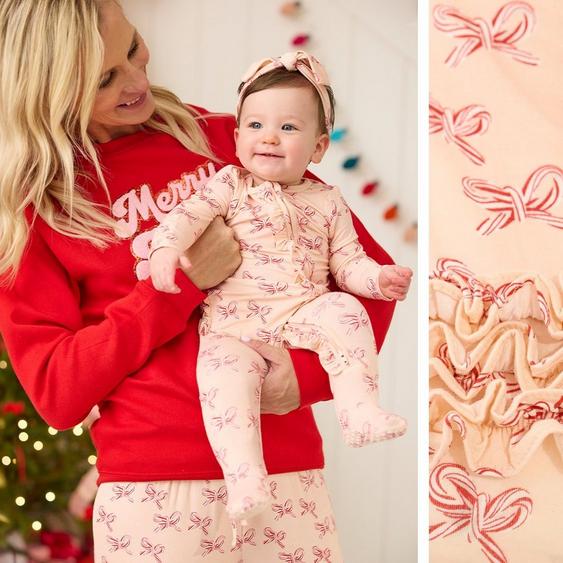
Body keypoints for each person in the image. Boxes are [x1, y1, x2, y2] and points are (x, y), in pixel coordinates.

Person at [0, 1, 400, 561]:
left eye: (133, 48)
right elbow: (57, 391)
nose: (138, 80)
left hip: (285, 472)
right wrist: (182, 283)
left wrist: (304, 378)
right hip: (150, 494)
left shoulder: (225, 141)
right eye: (104, 78)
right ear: (48, 89)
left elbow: (367, 278)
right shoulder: (37, 209)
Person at [149, 51, 412, 521]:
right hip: (235, 324)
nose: (268, 137)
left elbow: (348, 263)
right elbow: (185, 218)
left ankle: (359, 411)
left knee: (345, 311)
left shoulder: (328, 200)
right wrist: (165, 251)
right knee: (222, 376)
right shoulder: (229, 184)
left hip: (300, 311)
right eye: (254, 125)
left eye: (288, 128)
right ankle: (245, 480)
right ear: (236, 136)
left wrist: (377, 279)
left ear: (318, 148)